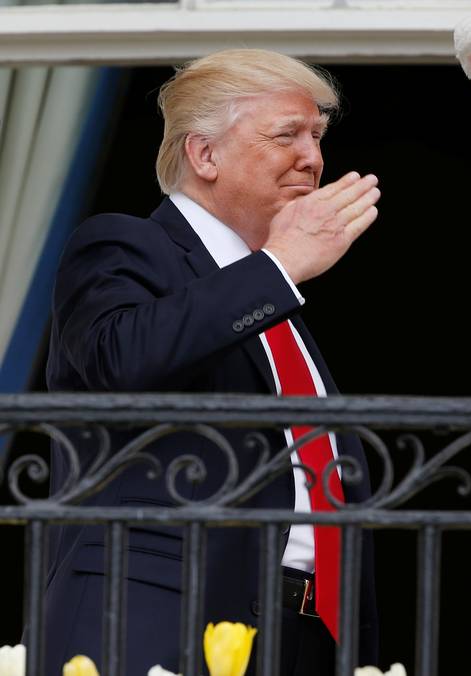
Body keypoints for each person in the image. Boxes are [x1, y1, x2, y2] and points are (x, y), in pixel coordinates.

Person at [42, 49, 380, 675]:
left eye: (317, 136)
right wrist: (279, 268)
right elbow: (121, 358)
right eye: (287, 135)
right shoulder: (124, 243)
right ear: (204, 155)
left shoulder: (270, 298)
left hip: (305, 633)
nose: (313, 157)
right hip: (160, 620)